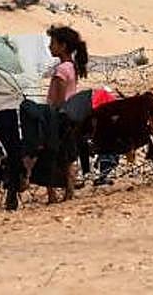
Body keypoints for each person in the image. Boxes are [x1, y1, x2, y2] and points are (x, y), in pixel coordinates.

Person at [45, 25, 88, 202]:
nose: (50, 47)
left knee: (51, 155)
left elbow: (59, 98)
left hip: (58, 116)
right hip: (70, 115)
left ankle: (52, 195)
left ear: (62, 46)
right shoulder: (72, 66)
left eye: (53, 43)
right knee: (67, 156)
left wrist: (53, 114)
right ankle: (69, 191)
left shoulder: (62, 69)